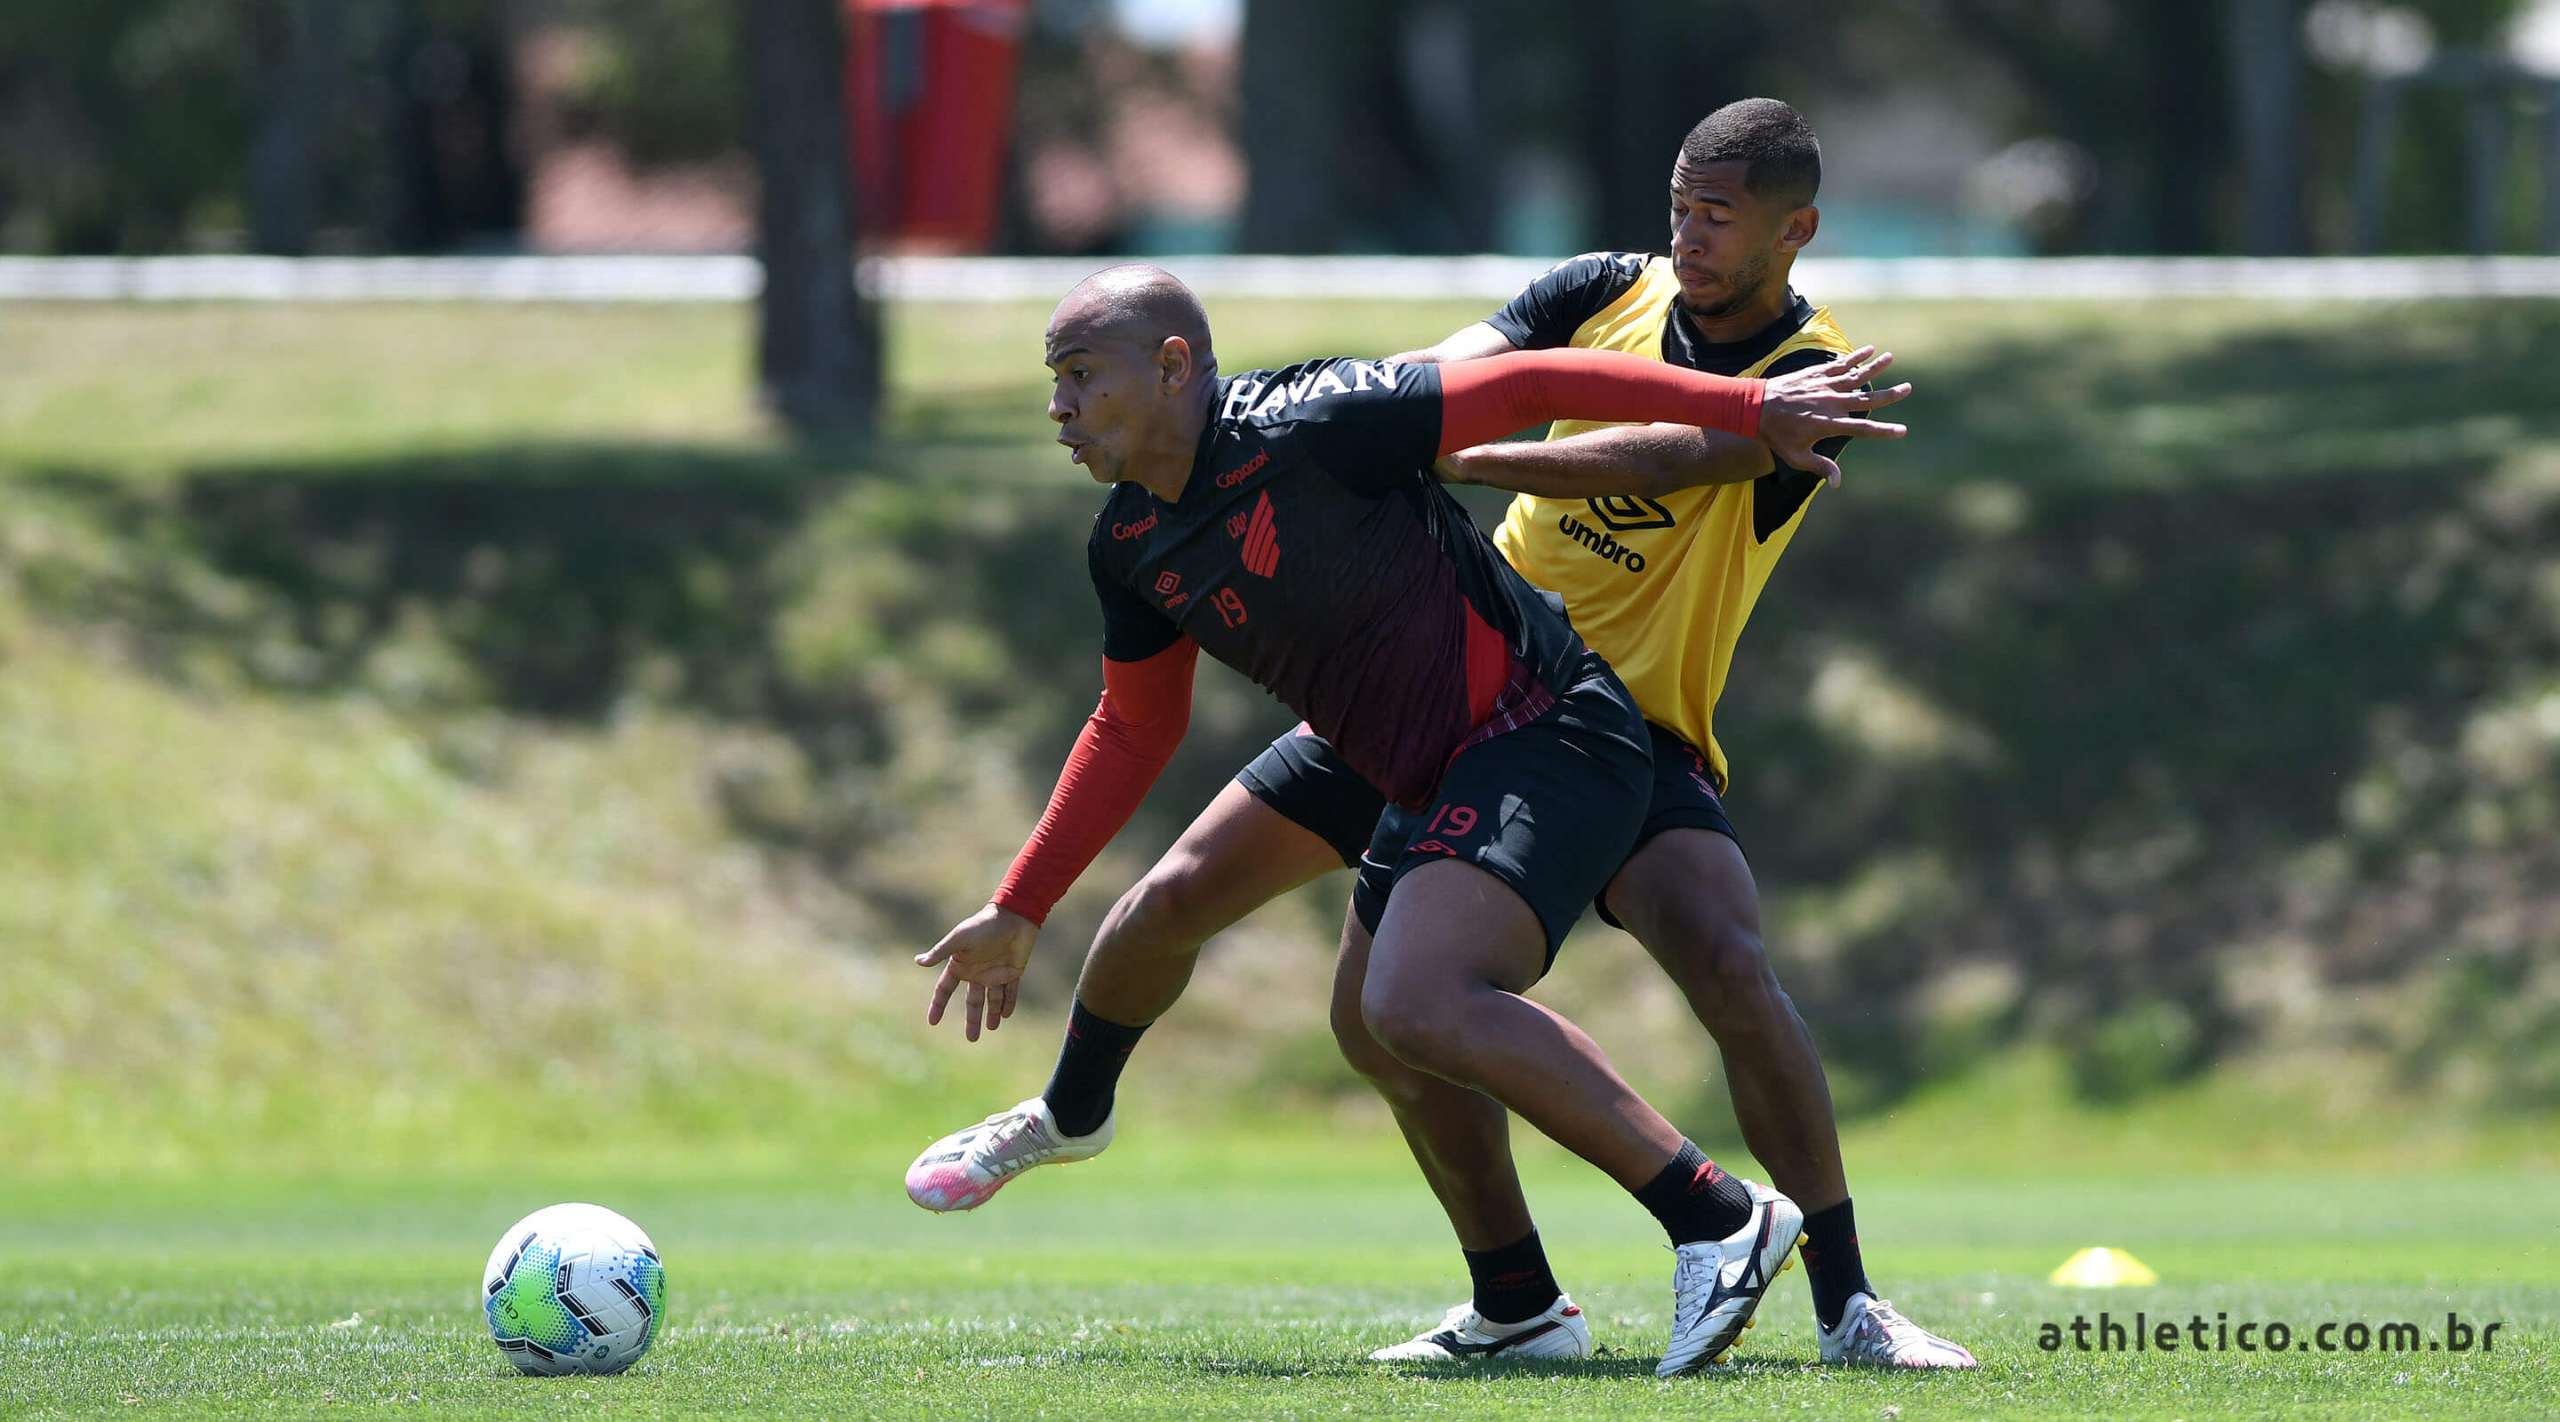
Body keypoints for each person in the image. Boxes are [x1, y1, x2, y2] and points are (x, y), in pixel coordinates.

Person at [906, 100, 1976, 1372]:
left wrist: (1477, 450)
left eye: (1718, 217)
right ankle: (1512, 1299)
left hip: (1591, 708)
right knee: (1302, 976)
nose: (1688, 236)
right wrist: (1371, 425)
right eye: (1678, 208)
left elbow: (1659, 451)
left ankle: (1833, 1295)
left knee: (1716, 964)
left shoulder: (1810, 383)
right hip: (1423, 695)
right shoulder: (1596, 289)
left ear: (1793, 232)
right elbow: (1453, 379)